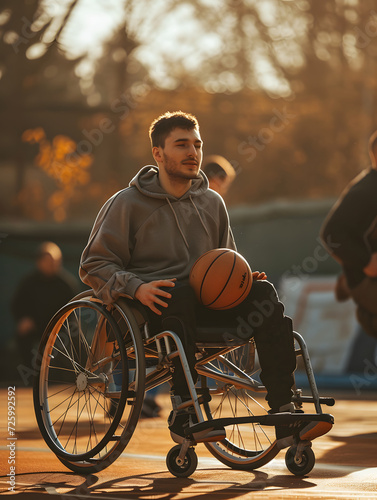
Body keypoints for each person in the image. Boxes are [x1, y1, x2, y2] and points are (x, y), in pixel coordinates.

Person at [80, 111, 324, 445]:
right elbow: (94, 265)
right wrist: (137, 287)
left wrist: (243, 279)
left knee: (263, 293)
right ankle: (186, 409)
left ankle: (285, 409)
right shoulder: (127, 203)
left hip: (204, 304)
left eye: (197, 145)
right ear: (158, 153)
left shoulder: (212, 203)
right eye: (181, 144)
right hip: (148, 305)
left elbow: (223, 261)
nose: (192, 152)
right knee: (177, 292)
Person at [320, 130, 377, 339]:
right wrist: (365, 261)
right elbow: (331, 234)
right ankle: (363, 306)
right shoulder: (366, 190)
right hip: (367, 279)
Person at [11, 241, 79, 374]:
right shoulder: (28, 283)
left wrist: (65, 326)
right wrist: (24, 319)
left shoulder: (66, 284)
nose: (52, 264)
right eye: (48, 261)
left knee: (74, 335)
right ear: (39, 262)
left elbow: (73, 312)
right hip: (36, 326)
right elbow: (17, 304)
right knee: (23, 336)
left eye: (56, 261)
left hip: (60, 328)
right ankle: (29, 375)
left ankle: (68, 375)